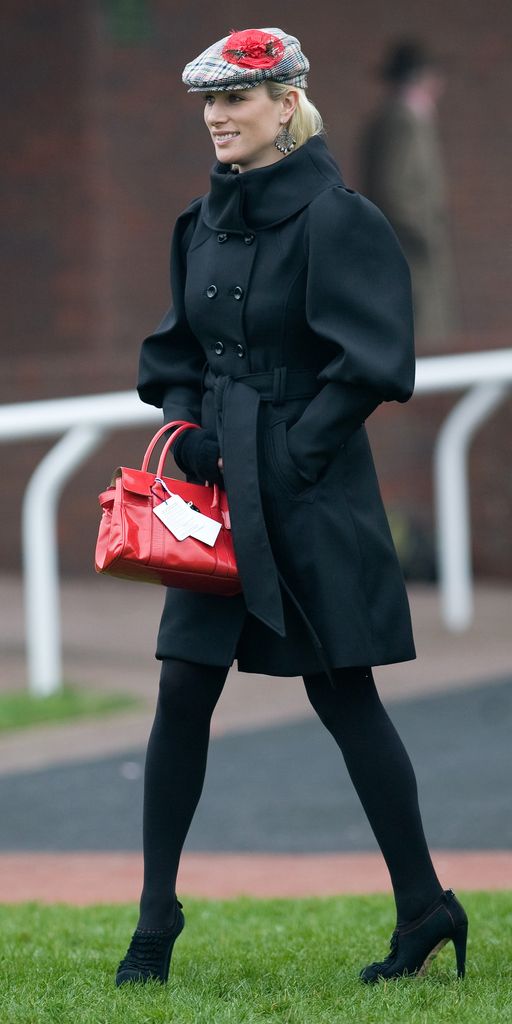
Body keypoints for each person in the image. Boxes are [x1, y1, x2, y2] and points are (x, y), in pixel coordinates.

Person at [115, 27, 468, 988]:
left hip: (309, 490)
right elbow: (177, 355)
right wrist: (189, 433)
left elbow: (373, 365)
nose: (220, 117)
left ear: (288, 103)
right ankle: (155, 921)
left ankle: (426, 906)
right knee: (182, 687)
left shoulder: (338, 217)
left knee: (343, 694)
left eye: (240, 99)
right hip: (220, 492)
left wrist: (290, 453)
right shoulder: (201, 222)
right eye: (211, 103)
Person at [358, 40, 459, 348]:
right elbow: (395, 190)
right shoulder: (403, 118)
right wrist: (425, 232)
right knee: (421, 332)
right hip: (410, 249)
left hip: (411, 247)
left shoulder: (405, 116)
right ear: (419, 76)